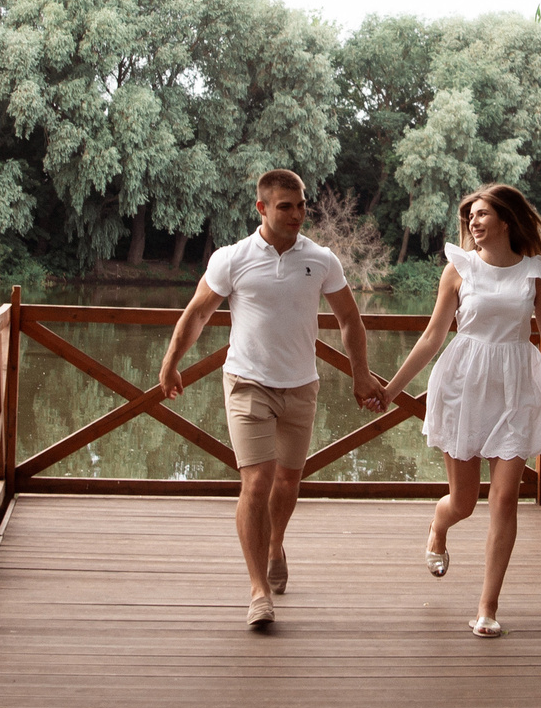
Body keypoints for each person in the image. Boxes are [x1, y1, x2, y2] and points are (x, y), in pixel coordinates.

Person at [374, 182, 541, 638]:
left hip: (517, 386)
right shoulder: (459, 270)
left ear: (505, 219)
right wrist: (391, 390)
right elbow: (431, 337)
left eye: (481, 215)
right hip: (464, 384)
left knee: (504, 498)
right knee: (463, 502)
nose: (473, 223)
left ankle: (487, 606)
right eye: (470, 217)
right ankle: (438, 529)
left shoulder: (535, 274)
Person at [158, 169, 379, 631]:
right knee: (257, 482)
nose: (297, 214)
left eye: (301, 205)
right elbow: (198, 313)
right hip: (247, 383)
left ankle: (276, 543)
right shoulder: (232, 258)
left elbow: (349, 320)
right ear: (261, 208)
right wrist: (171, 361)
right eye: (286, 206)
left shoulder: (321, 259)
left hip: (302, 385)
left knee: (288, 482)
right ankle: (258, 590)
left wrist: (360, 374)